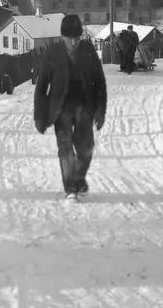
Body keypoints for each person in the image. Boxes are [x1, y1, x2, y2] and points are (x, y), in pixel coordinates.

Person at [34, 14, 108, 201]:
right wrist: (40, 115)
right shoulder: (53, 53)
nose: (74, 42)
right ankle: (71, 190)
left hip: (85, 106)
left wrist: (101, 110)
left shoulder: (88, 50)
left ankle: (78, 177)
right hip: (61, 108)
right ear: (62, 37)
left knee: (86, 150)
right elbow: (42, 85)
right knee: (65, 149)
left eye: (77, 38)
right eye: (70, 38)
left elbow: (99, 81)